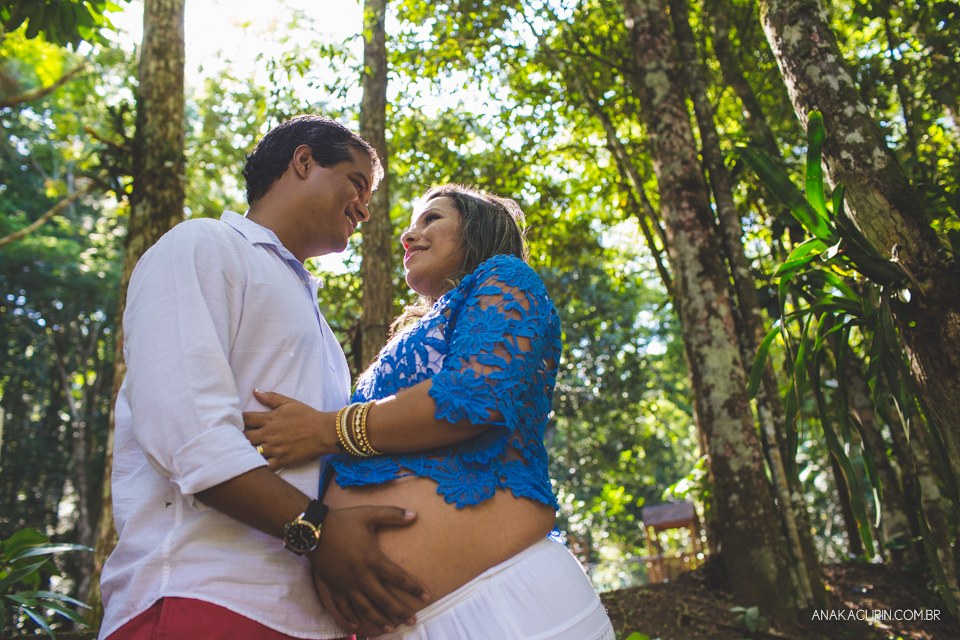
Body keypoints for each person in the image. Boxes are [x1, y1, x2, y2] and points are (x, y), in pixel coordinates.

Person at [98, 115, 430, 640]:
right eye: (357, 183)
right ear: (303, 162)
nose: (366, 209)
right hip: (202, 600)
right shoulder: (203, 245)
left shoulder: (315, 319)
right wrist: (320, 531)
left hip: (312, 620)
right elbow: (188, 435)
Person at [243, 184, 615, 639]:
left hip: (506, 605)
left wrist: (326, 429)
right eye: (413, 222)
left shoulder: (504, 277)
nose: (409, 234)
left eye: (431, 219)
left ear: (477, 229)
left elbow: (470, 395)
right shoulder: (409, 336)